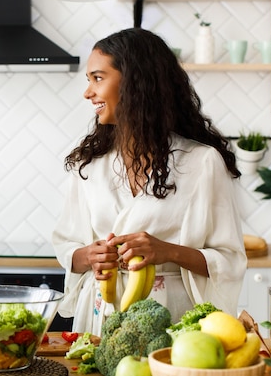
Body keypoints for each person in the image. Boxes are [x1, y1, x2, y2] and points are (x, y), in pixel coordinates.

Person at [52, 28, 246, 335]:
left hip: (173, 318)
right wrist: (89, 255)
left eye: (97, 78)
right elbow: (67, 247)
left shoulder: (201, 161)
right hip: (101, 314)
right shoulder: (90, 163)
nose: (87, 92)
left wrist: (168, 251)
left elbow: (230, 260)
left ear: (134, 82)